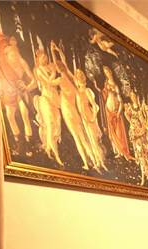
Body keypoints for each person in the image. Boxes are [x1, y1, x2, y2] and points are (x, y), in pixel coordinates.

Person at [50, 42, 93, 170]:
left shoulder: (60, 80)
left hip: (68, 112)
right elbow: (63, 62)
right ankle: (92, 160)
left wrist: (53, 70)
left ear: (58, 69)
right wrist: (56, 51)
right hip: (74, 111)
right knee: (82, 137)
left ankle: (86, 163)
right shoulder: (71, 79)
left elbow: (49, 82)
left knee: (77, 138)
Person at [0, 31, 36, 151]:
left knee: (24, 115)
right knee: (10, 116)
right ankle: (20, 143)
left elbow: (34, 81)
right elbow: (0, 79)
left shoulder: (21, 61)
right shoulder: (2, 64)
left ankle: (29, 143)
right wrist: (0, 90)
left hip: (21, 91)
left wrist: (27, 87)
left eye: (13, 52)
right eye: (8, 53)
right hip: (9, 91)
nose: (12, 55)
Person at [32, 45, 63, 165]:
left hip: (55, 98)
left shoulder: (50, 66)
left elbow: (59, 65)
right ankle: (55, 154)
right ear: (38, 59)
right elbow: (49, 82)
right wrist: (56, 75)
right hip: (45, 98)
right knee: (50, 124)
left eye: (45, 56)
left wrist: (53, 51)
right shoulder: (38, 70)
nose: (44, 58)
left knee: (57, 124)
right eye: (42, 57)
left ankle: (50, 148)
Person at [74, 69, 106, 171]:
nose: (79, 80)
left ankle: (99, 161)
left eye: (80, 78)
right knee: (89, 140)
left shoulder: (87, 91)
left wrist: (93, 117)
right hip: (83, 119)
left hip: (89, 117)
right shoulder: (77, 93)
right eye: (78, 78)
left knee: (94, 140)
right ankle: (96, 161)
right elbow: (79, 108)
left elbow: (94, 105)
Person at [101, 66, 131, 161]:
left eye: (108, 71)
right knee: (112, 131)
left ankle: (122, 151)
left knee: (119, 132)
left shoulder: (116, 85)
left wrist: (119, 111)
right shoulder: (105, 84)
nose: (107, 73)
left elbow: (120, 100)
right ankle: (117, 151)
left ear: (111, 72)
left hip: (116, 111)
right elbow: (104, 96)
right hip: (108, 109)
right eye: (105, 72)